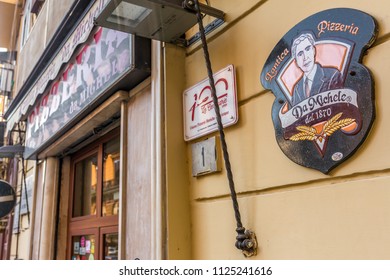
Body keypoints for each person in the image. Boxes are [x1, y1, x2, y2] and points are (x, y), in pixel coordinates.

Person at [291, 33, 343, 106]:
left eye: (308, 49)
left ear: (314, 51)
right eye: (300, 54)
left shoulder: (333, 76)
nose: (305, 57)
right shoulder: (296, 90)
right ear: (296, 62)